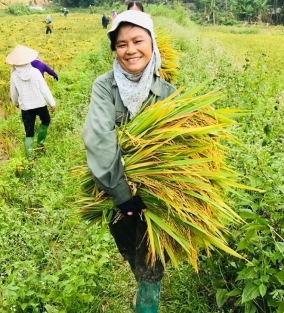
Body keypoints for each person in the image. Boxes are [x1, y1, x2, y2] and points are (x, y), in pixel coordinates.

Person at [82, 10, 176, 312]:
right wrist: (122, 194)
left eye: (138, 40)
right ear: (114, 49)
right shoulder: (105, 85)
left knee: (152, 264)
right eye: (121, 44)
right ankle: (142, 283)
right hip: (114, 193)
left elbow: (176, 147)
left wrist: (159, 192)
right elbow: (99, 138)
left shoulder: (167, 92)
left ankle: (147, 301)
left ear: (152, 43)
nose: (130, 50)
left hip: (157, 198)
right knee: (129, 249)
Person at [6, 45, 56, 161]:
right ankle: (40, 144)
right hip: (40, 103)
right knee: (46, 120)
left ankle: (30, 157)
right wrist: (52, 103)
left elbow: (13, 92)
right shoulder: (35, 72)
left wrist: (15, 103)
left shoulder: (14, 75)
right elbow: (44, 89)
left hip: (26, 106)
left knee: (29, 131)